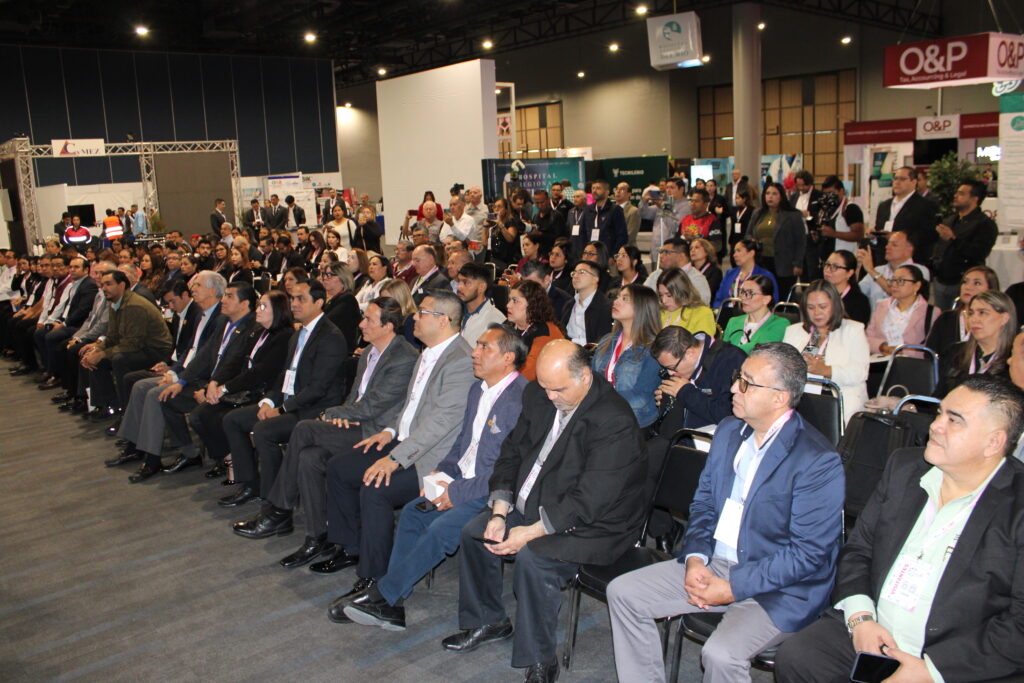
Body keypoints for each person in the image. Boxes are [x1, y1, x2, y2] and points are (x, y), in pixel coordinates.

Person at [608, 342, 844, 683]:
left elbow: (808, 555)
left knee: (720, 655)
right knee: (624, 594)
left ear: (779, 398)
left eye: (746, 382)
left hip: (778, 586)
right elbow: (703, 505)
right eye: (738, 377)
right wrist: (695, 558)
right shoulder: (730, 432)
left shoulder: (816, 460)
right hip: (716, 562)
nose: (733, 387)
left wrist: (734, 588)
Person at [775, 374, 1024, 683]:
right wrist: (861, 618)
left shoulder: (1016, 506)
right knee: (800, 657)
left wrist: (932, 671)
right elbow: (858, 550)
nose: (935, 426)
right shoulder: (905, 468)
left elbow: (1019, 626)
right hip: (874, 629)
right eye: (939, 413)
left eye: (954, 420)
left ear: (994, 442)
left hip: (956, 658)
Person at [444, 340, 647, 683]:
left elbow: (590, 499)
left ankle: (541, 659)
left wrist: (532, 530)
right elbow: (510, 453)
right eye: (545, 386)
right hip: (537, 500)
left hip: (596, 524)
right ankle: (488, 621)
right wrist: (500, 509)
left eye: (558, 389)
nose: (550, 396)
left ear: (585, 377)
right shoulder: (540, 395)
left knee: (534, 560)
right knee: (475, 532)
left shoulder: (613, 421)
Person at [340, 325, 528, 630]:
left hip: (492, 493)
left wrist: (457, 493)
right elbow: (462, 443)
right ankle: (393, 600)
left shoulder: (519, 400)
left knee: (441, 528)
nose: (475, 353)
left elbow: (506, 471)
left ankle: (383, 595)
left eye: (484, 348)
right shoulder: (477, 389)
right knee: (415, 512)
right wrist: (443, 472)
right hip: (462, 480)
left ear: (507, 359)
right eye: (477, 345)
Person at [234, 296, 419, 567]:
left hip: (378, 432)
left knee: (305, 428)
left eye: (368, 319)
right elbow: (354, 399)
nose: (361, 324)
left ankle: (279, 508)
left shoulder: (404, 357)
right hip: (356, 423)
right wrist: (340, 417)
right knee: (309, 457)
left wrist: (332, 415)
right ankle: (317, 535)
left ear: (388, 326)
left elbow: (373, 405)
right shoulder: (369, 353)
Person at [315, 291, 474, 599]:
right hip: (403, 441)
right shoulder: (427, 350)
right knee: (340, 467)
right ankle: (352, 547)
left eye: (422, 312)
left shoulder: (460, 361)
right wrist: (389, 431)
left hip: (431, 458)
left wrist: (396, 458)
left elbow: (440, 424)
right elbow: (412, 405)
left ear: (443, 320)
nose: (414, 317)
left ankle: (376, 575)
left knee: (376, 488)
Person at [219, 279, 349, 507]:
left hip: (312, 409)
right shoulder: (298, 334)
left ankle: (274, 502)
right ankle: (251, 484)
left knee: (264, 430)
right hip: (289, 401)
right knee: (234, 419)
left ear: (319, 302)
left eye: (301, 299)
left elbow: (318, 389)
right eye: (293, 299)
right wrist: (269, 401)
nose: (294, 304)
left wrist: (280, 410)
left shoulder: (331, 336)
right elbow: (284, 375)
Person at [113, 271, 226, 480]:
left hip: (202, 378)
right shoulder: (201, 314)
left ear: (212, 290)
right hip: (186, 371)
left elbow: (206, 358)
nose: (193, 289)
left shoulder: (220, 317)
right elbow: (190, 350)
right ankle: (134, 445)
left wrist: (178, 377)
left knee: (157, 394)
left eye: (198, 285)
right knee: (139, 386)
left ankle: (152, 458)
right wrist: (174, 370)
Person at [186, 290, 295, 479]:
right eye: (258, 304)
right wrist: (215, 382)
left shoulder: (284, 336)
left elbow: (261, 372)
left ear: (277, 311)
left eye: (264, 306)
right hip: (245, 389)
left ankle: (242, 474)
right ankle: (229, 461)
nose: (258, 310)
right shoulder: (258, 331)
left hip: (264, 393)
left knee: (225, 418)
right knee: (200, 414)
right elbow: (235, 361)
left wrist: (225, 388)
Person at [79, 270, 173, 421]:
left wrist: (102, 354)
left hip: (157, 351)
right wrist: (97, 350)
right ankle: (108, 405)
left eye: (109, 284)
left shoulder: (134, 305)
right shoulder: (115, 303)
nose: (104, 288)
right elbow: (112, 337)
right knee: (97, 359)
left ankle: (127, 413)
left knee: (119, 359)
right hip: (137, 347)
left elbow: (132, 343)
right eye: (102, 284)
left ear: (122, 285)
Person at [783, 279, 869, 423]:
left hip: (840, 401)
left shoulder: (853, 330)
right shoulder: (794, 331)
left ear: (835, 306)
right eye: (810, 307)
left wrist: (825, 370)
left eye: (823, 307)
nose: (817, 313)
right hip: (802, 401)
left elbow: (860, 372)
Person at [590, 283, 661, 428]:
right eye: (618, 297)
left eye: (625, 299)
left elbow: (641, 397)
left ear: (642, 307)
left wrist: (600, 402)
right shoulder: (606, 341)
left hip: (633, 422)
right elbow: (591, 381)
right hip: (600, 417)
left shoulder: (652, 349)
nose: (616, 301)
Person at [931, 180, 998, 310]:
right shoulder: (951, 220)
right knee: (943, 319)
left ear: (975, 199)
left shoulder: (985, 224)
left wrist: (954, 238)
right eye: (957, 192)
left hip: (963, 281)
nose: (956, 196)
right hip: (941, 280)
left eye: (961, 193)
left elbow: (978, 253)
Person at [937, 290, 1016, 397]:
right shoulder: (955, 352)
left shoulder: (1014, 360)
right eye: (971, 313)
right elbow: (937, 397)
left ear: (1004, 318)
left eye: (982, 313)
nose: (973, 319)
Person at [747, 182, 805, 301]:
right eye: (768, 193)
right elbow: (748, 234)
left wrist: (798, 263)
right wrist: (752, 240)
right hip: (762, 260)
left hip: (785, 262)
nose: (770, 197)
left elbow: (801, 241)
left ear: (781, 196)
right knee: (763, 294)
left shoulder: (793, 215)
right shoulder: (758, 213)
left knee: (783, 295)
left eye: (774, 194)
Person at [865, 265, 939, 356]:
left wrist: (901, 351)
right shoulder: (881, 306)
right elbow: (867, 338)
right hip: (880, 363)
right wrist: (882, 346)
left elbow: (932, 346)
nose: (894, 284)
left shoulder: (931, 312)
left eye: (900, 281)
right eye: (893, 280)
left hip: (911, 365)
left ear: (917, 285)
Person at [926, 265, 998, 358]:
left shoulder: (995, 320)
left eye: (977, 283)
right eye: (965, 282)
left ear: (990, 289)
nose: (968, 287)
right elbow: (930, 354)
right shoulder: (946, 318)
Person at [873, 166, 940, 264]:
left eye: (902, 179)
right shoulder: (884, 206)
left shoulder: (925, 205)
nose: (897, 182)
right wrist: (874, 236)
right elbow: (879, 228)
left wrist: (900, 238)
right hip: (883, 260)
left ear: (913, 182)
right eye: (895, 178)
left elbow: (929, 235)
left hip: (911, 260)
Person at [505, 280, 565, 382]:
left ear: (532, 304)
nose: (508, 305)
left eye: (515, 301)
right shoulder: (508, 324)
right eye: (509, 299)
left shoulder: (546, 333)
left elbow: (527, 375)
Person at [856, 229, 929, 310]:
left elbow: (898, 294)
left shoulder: (920, 270)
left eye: (894, 245)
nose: (887, 247)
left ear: (909, 249)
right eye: (888, 244)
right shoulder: (879, 270)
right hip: (876, 321)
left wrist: (871, 270)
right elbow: (856, 293)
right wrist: (858, 267)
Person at [722, 275, 790, 354]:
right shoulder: (733, 321)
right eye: (742, 292)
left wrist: (729, 352)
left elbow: (760, 349)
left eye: (750, 293)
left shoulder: (780, 324)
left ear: (766, 299)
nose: (743, 297)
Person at [713, 238, 779, 309]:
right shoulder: (730, 273)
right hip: (728, 314)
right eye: (734, 251)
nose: (734, 255)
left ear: (751, 253)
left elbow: (772, 302)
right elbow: (719, 299)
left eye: (738, 251)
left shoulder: (765, 276)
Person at [645, 237, 711, 306]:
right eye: (661, 252)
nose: (661, 256)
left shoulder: (697, 278)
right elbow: (642, 298)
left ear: (681, 256)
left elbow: (701, 305)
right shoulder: (656, 274)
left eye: (666, 252)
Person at [561, 260, 612, 346]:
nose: (576, 276)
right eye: (574, 273)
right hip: (566, 351)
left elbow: (601, 343)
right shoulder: (569, 304)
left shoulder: (605, 307)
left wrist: (571, 343)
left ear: (595, 278)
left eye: (581, 272)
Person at [456, 262, 505, 344]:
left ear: (482, 287)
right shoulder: (454, 311)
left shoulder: (496, 321)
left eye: (466, 282)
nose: (459, 287)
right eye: (459, 281)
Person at [657, 267, 715, 337]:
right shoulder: (660, 312)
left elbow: (702, 345)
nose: (664, 300)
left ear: (682, 292)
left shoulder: (702, 313)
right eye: (661, 295)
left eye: (669, 295)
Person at [821, 250, 870, 325]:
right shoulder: (818, 294)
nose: (827, 270)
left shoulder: (859, 301)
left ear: (849, 273)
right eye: (827, 264)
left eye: (835, 266)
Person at [320, 262, 361, 351]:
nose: (325, 278)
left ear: (343, 278)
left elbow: (326, 322)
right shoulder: (327, 298)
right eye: (324, 274)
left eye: (330, 275)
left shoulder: (348, 299)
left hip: (339, 350)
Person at [582, 179, 628, 257]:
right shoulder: (588, 210)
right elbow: (583, 233)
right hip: (590, 254)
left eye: (598, 188)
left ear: (607, 192)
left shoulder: (615, 210)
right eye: (593, 188)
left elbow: (622, 236)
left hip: (608, 255)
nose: (594, 191)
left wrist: (613, 255)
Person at [681, 188, 723, 255]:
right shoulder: (685, 220)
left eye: (696, 201)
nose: (692, 204)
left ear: (705, 204)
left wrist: (695, 240)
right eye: (691, 201)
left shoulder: (712, 220)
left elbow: (717, 245)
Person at [488, 197, 523, 273]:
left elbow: (510, 239)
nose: (496, 209)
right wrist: (485, 226)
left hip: (508, 260)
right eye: (495, 207)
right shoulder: (494, 224)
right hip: (496, 259)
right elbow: (485, 242)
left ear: (506, 209)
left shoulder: (511, 221)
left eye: (499, 206)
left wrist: (500, 224)